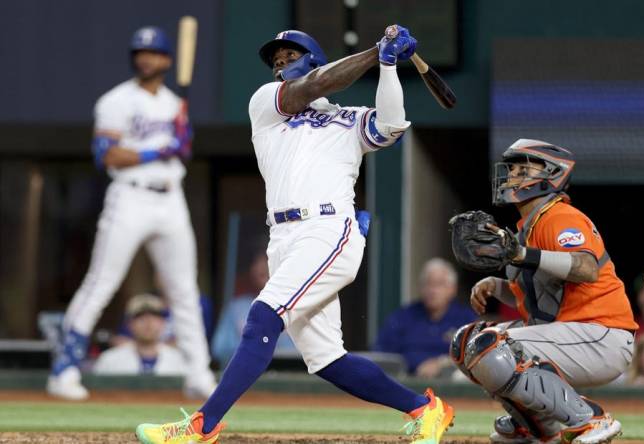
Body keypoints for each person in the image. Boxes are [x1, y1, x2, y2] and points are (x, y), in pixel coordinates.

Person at [135, 27, 454, 444]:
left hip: (327, 229)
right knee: (327, 360)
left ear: (315, 58)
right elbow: (317, 84)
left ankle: (201, 426)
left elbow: (391, 124)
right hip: (282, 237)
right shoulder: (266, 103)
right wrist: (377, 53)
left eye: (291, 55)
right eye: (276, 60)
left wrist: (389, 66)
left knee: (262, 317)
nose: (281, 64)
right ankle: (425, 409)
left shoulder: (347, 119)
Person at [46, 26, 216, 401]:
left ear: (167, 61)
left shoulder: (174, 104)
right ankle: (64, 370)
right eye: (140, 51)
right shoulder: (116, 100)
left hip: (171, 198)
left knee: (184, 291)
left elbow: (181, 151)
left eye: (153, 52)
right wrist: (160, 148)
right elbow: (106, 154)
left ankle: (198, 373)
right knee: (101, 283)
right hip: (130, 196)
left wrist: (182, 142)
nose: (145, 57)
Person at [451, 139, 638, 443]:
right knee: (465, 344)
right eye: (511, 168)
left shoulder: (560, 216)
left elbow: (585, 268)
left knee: (491, 346)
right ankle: (537, 427)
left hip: (602, 334)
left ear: (551, 175)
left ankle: (590, 420)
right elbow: (540, 297)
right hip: (570, 333)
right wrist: (498, 286)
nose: (511, 175)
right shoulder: (528, 226)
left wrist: (523, 255)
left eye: (522, 169)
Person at [374, 258, 476, 378]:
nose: (433, 291)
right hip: (408, 383)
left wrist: (441, 363)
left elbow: (476, 357)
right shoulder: (402, 318)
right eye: (428, 284)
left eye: (439, 284)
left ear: (452, 289)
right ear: (421, 288)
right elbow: (382, 356)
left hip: (452, 388)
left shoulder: (466, 319)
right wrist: (414, 365)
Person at [211, 252, 296, 368]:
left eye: (268, 262)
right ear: (252, 270)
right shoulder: (237, 307)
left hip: (285, 375)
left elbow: (303, 352)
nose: (263, 267)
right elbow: (219, 349)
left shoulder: (293, 307)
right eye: (258, 263)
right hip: (245, 373)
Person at [93, 294, 187, 376]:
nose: (148, 322)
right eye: (140, 316)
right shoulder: (109, 360)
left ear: (163, 323)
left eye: (155, 316)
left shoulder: (179, 360)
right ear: (129, 323)